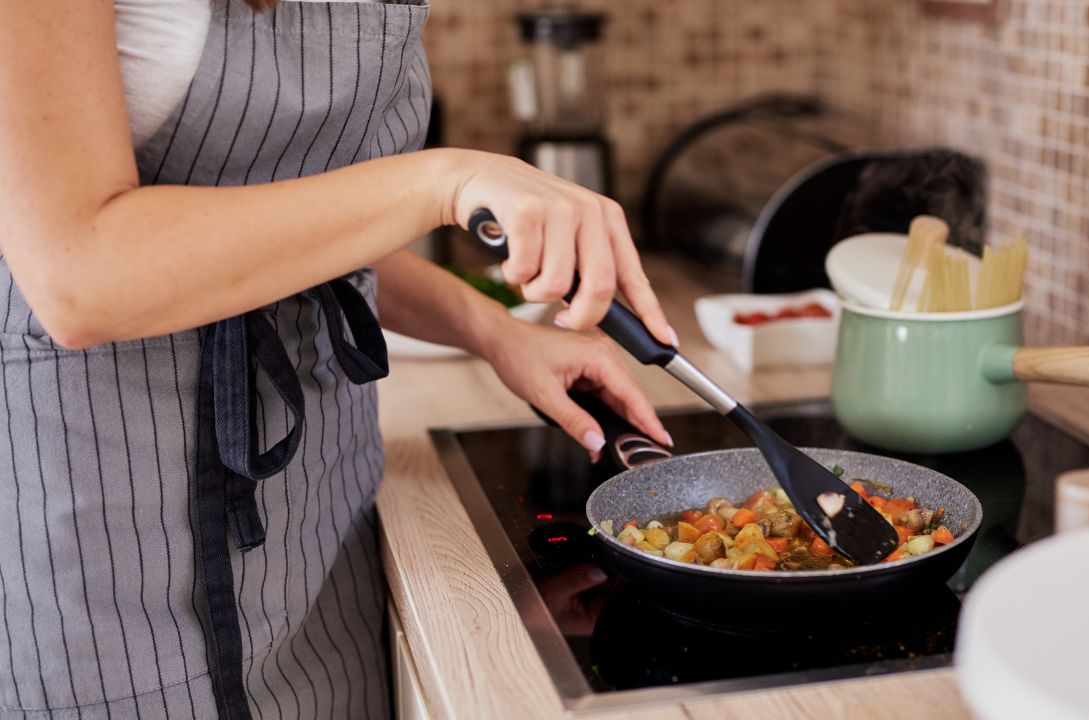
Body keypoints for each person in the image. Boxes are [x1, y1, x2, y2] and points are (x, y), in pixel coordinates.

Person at [0, 1, 675, 718]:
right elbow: (80, 276)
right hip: (106, 518)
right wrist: (444, 182)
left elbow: (289, 222)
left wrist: (495, 331)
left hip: (320, 506)